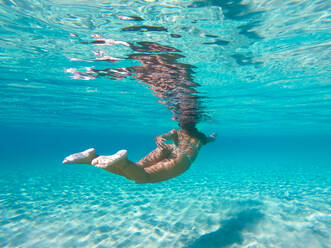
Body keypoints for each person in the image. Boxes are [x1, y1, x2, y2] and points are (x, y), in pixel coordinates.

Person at [63, 123, 216, 184]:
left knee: (135, 170)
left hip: (167, 148)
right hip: (182, 158)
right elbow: (209, 139)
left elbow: (163, 137)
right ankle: (121, 161)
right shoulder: (200, 138)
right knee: (144, 177)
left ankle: (92, 158)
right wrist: (212, 137)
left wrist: (159, 139)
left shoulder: (177, 131)